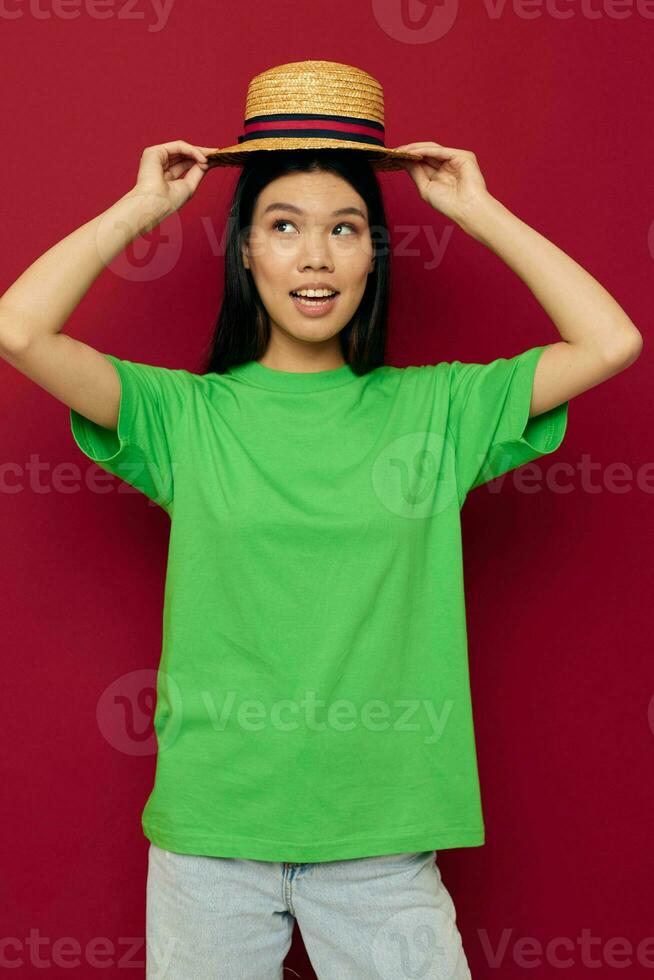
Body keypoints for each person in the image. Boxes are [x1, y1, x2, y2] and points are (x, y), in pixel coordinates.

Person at [0, 60, 642, 980]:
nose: (314, 257)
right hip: (212, 841)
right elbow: (19, 329)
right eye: (284, 227)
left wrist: (478, 212)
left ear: (374, 253)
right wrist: (140, 212)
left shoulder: (438, 412)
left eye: (345, 229)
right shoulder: (185, 417)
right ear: (247, 250)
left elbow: (611, 340)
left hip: (380, 842)